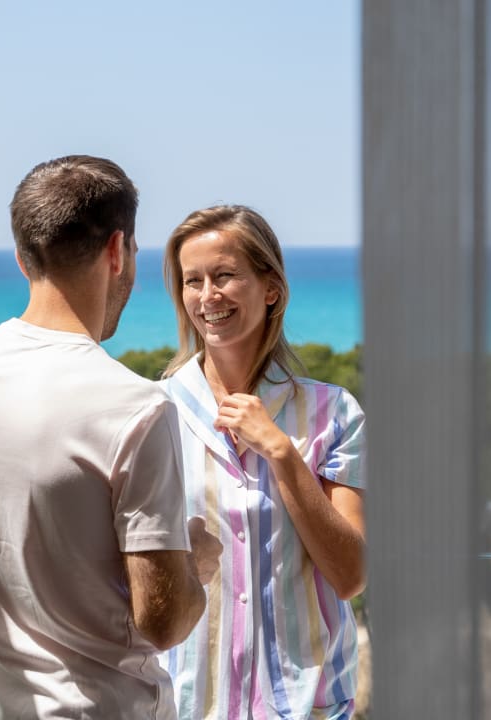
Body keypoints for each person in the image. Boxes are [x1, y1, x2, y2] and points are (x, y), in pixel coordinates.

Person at [0, 155, 222, 720]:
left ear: (22, 257)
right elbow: (162, 622)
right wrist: (197, 567)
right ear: (117, 251)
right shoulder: (136, 406)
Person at [158, 205, 367, 720]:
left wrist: (280, 451)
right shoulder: (154, 413)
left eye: (225, 275)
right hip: (187, 706)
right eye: (192, 281)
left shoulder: (334, 412)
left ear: (271, 287)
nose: (207, 296)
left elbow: (350, 575)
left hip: (308, 707)